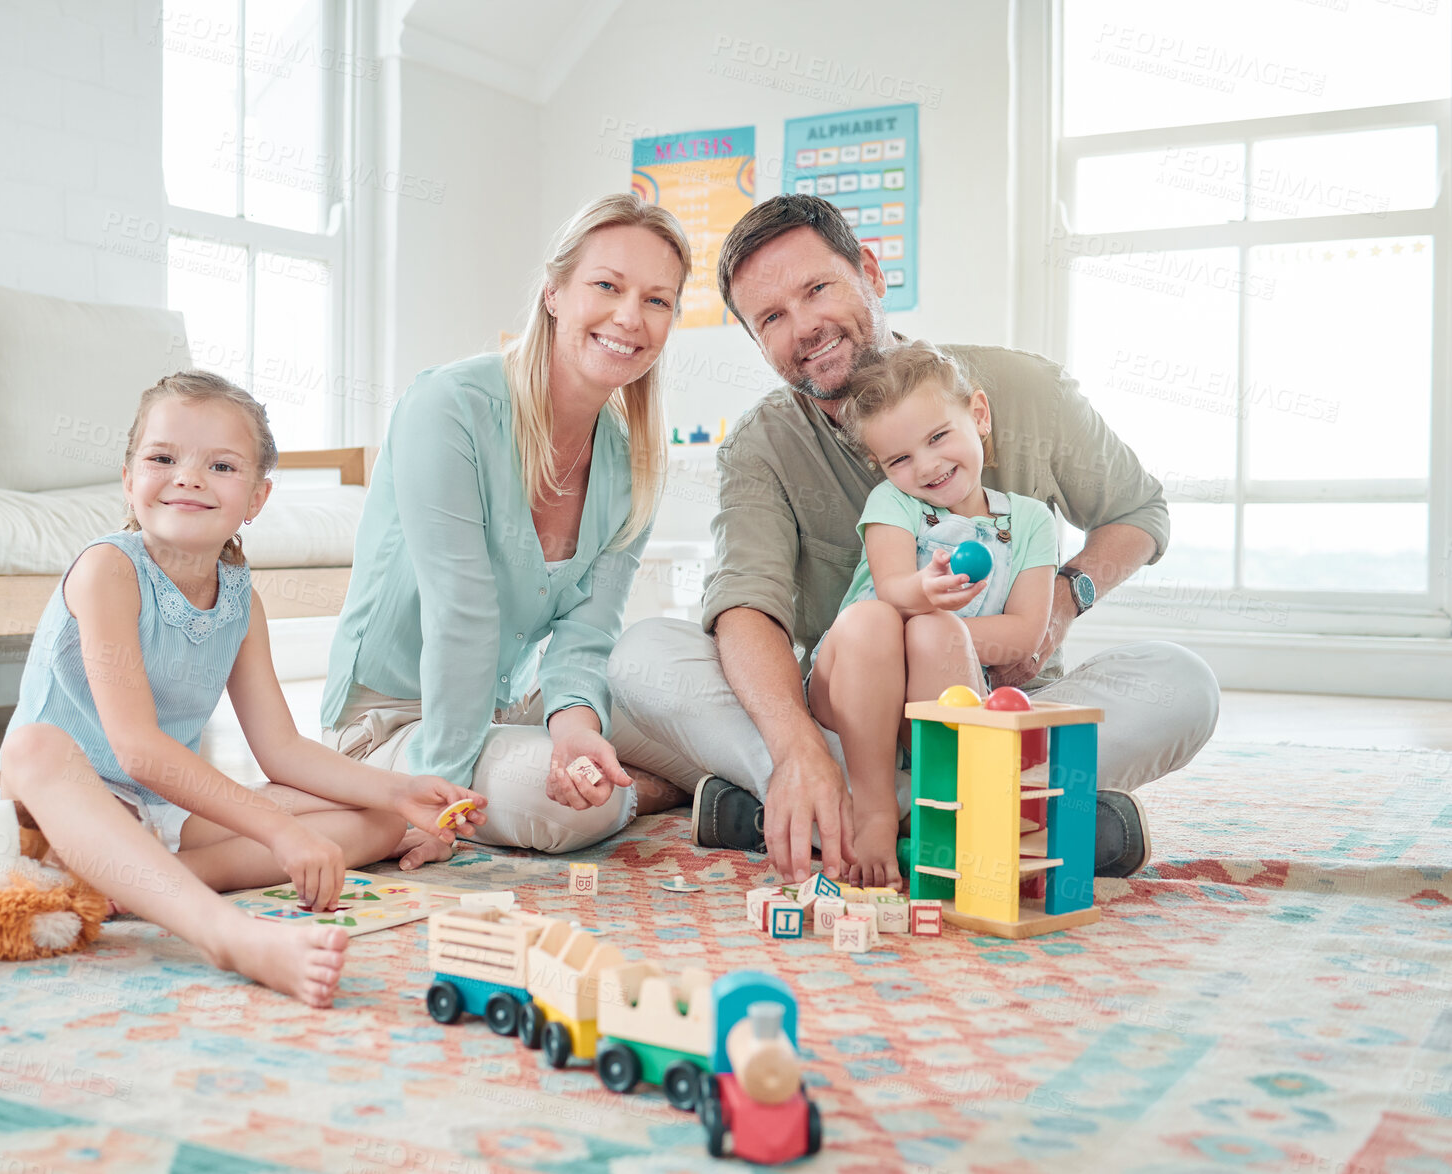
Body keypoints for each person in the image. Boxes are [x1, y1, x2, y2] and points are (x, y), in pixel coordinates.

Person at [607, 194, 1220, 883]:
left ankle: (799, 811)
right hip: (851, 716)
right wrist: (797, 745)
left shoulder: (1019, 388)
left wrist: (1063, 598)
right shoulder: (763, 446)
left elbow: (1139, 512)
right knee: (642, 655)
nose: (804, 327)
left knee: (1183, 685)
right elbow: (748, 607)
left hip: (1002, 715)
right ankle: (969, 812)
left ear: (870, 270)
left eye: (817, 289)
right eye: (772, 318)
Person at [0, 373, 486, 1008]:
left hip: (158, 813)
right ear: (128, 478)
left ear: (256, 497)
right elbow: (138, 750)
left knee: (383, 823)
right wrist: (281, 833)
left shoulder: (241, 601)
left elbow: (280, 748)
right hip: (60, 813)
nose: (189, 477)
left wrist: (401, 791)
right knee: (34, 746)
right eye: (163, 458)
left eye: (220, 465)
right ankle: (225, 934)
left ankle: (143, 882)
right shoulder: (107, 571)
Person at [319, 193, 693, 866]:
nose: (629, 318)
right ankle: (667, 792)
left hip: (511, 705)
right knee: (565, 804)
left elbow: (589, 632)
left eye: (657, 300)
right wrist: (442, 801)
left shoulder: (635, 457)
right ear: (553, 293)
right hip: (398, 720)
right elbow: (462, 614)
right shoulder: (449, 409)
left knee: (692, 709)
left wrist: (577, 728)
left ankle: (801, 790)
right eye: (606, 286)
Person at [808, 343, 1060, 888]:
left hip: (945, 694)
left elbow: (1022, 635)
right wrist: (923, 592)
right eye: (899, 459)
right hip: (854, 681)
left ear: (979, 414)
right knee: (875, 618)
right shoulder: (894, 503)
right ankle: (874, 809)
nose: (925, 466)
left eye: (938, 437)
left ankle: (938, 809)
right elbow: (892, 588)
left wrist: (937, 631)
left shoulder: (1031, 521)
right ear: (881, 466)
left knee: (933, 630)